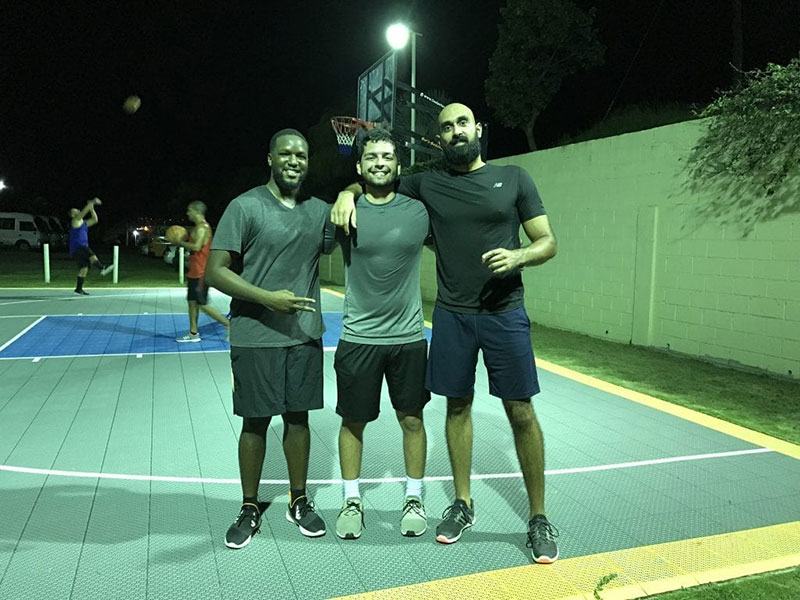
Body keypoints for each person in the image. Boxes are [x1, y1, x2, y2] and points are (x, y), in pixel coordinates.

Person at [331, 103, 560, 563]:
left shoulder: (514, 178)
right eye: (446, 128)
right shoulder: (427, 184)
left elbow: (547, 242)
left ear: (478, 129)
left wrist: (519, 257)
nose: (455, 131)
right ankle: (462, 503)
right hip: (453, 315)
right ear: (438, 139)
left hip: (504, 311)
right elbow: (379, 175)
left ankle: (538, 517)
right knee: (457, 408)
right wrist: (346, 190)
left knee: (520, 411)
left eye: (462, 123)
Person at [206, 129, 332, 549]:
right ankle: (248, 505)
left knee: (299, 418)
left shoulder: (319, 211)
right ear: (270, 158)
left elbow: (356, 218)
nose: (294, 160)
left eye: (302, 154)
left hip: (302, 336)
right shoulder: (244, 207)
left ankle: (299, 499)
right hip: (255, 334)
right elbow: (216, 271)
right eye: (286, 153)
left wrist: (349, 192)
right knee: (255, 422)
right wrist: (266, 299)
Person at [332, 128, 430, 540]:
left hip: (408, 337)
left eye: (387, 156)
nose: (379, 162)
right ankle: (352, 500)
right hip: (358, 337)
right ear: (359, 166)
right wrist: (344, 194)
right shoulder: (343, 212)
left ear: (398, 165)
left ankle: (414, 497)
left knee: (412, 419)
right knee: (354, 422)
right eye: (371, 156)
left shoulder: (419, 211)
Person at [173, 201, 230, 342]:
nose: (187, 213)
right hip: (194, 272)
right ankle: (193, 333)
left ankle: (229, 325)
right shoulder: (198, 228)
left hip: (201, 273)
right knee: (192, 302)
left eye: (189, 210)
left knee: (202, 304)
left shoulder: (202, 228)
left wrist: (180, 243)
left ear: (196, 212)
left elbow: (197, 247)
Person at [68, 197, 113, 295]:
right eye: (74, 210)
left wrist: (92, 208)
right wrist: (92, 202)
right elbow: (85, 210)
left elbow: (95, 220)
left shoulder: (83, 223)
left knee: (84, 268)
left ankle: (78, 288)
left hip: (78, 248)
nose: (77, 210)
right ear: (72, 214)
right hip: (79, 247)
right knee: (91, 255)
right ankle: (102, 268)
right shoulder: (75, 220)